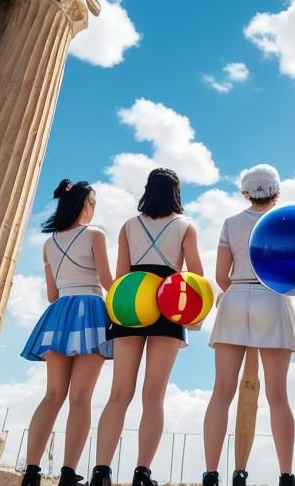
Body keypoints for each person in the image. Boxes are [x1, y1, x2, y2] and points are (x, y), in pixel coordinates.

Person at [91, 169, 204, 486]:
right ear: (176, 193)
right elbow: (195, 275)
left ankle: (101, 472)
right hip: (167, 305)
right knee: (153, 396)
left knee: (118, 394)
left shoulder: (129, 226)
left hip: (129, 302)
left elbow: (119, 275)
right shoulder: (185, 227)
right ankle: (142, 473)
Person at [203, 165, 295, 486]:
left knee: (221, 392)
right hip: (272, 298)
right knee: (278, 396)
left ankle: (211, 473)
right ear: (277, 192)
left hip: (235, 296)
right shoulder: (285, 222)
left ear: (245, 193)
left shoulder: (230, 223)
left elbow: (220, 275)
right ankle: (286, 475)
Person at [20, 180, 114, 486]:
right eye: (94, 202)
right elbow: (109, 283)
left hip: (58, 314)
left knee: (52, 395)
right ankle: (68, 474)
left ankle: (31, 472)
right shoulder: (95, 235)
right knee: (81, 398)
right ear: (85, 204)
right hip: (90, 311)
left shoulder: (49, 243)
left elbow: (51, 293)